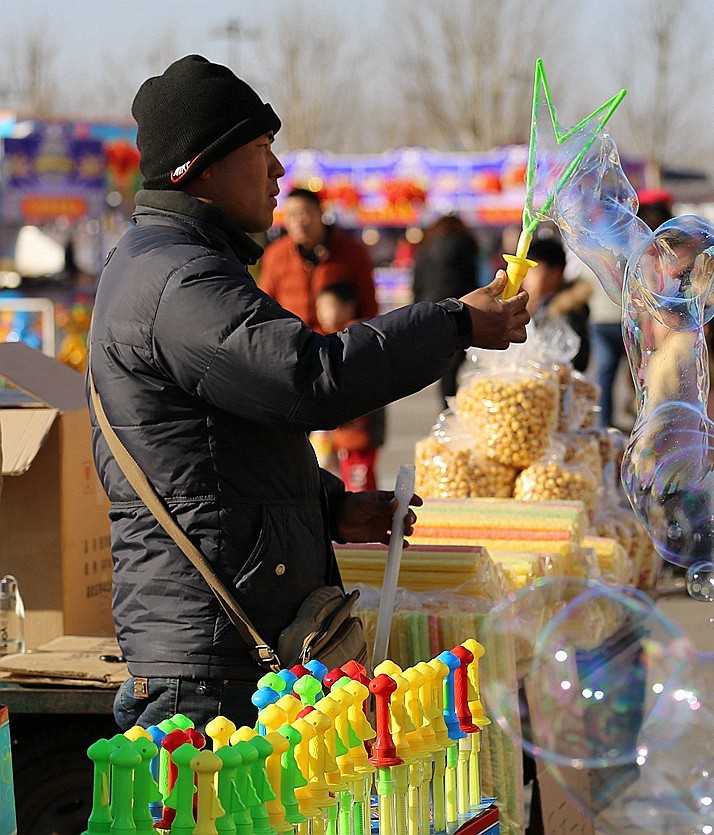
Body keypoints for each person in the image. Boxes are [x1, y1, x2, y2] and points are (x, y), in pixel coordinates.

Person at [87, 55, 530, 732]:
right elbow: (309, 378)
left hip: (223, 643)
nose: (278, 172)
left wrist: (328, 508)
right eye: (261, 150)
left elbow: (217, 453)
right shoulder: (179, 281)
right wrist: (457, 322)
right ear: (201, 168)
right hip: (207, 665)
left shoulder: (179, 263)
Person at [258, 187, 378, 330]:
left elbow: (369, 309)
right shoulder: (276, 254)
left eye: (303, 213)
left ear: (321, 212)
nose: (297, 221)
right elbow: (264, 304)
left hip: (338, 343)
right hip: (292, 343)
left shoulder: (353, 253)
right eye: (290, 215)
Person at [311, 282, 387, 491]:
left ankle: (371, 523)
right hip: (336, 436)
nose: (323, 314)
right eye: (319, 308)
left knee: (359, 487)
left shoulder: (355, 340)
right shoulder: (323, 339)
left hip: (358, 434)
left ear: (347, 307)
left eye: (329, 307)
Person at [411, 214, 481, 407]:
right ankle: (453, 407)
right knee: (456, 363)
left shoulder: (425, 249)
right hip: (460, 310)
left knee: (444, 363)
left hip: (430, 310)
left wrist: (416, 312)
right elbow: (472, 282)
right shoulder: (467, 247)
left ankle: (448, 408)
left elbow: (417, 284)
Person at [523, 236, 592, 371]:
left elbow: (579, 360)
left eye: (533, 271)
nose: (526, 278)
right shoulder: (537, 305)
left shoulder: (569, 310)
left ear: (555, 273)